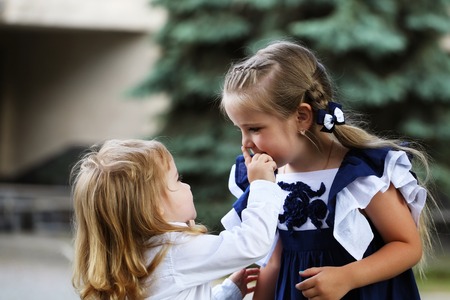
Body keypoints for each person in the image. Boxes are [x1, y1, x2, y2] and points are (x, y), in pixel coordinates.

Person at [220, 40, 436, 299]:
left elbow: (407, 246)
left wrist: (348, 277)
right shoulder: (267, 181)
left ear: (301, 117)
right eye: (240, 129)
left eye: (254, 129)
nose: (245, 143)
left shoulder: (360, 173)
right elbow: (273, 263)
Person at [71, 138, 285, 300]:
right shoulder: (173, 248)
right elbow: (252, 243)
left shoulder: (135, 256)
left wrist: (226, 293)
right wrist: (262, 185)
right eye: (177, 180)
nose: (187, 186)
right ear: (154, 207)